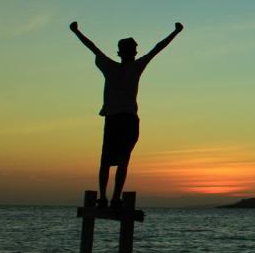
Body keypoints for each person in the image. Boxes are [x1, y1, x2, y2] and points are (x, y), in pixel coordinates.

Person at [70, 21, 183, 209]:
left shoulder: (115, 67)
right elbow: (156, 49)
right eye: (134, 49)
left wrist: (76, 31)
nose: (136, 52)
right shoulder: (125, 67)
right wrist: (175, 32)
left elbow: (93, 48)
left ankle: (108, 198)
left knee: (109, 161)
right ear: (130, 52)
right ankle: (109, 198)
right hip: (123, 119)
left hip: (119, 119)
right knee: (117, 161)